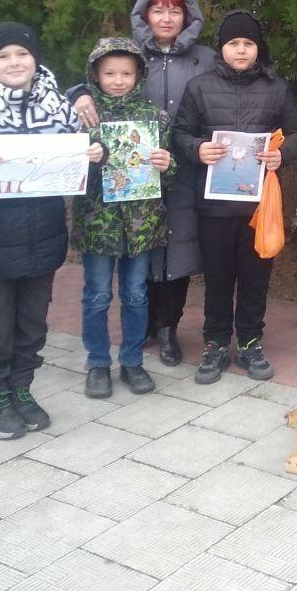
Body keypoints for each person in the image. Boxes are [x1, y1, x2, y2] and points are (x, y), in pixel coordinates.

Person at [0, 22, 99, 439]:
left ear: (35, 59)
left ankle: (21, 388)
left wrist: (91, 154)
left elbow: (74, 160)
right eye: (4, 56)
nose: (15, 62)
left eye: (22, 54)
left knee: (32, 324)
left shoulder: (59, 107)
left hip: (43, 237)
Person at [72, 0, 214, 366]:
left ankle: (169, 326)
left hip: (182, 167)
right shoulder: (129, 55)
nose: (166, 17)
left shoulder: (206, 58)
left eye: (174, 10)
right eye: (158, 9)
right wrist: (76, 94)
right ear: (144, 14)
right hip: (129, 178)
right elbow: (90, 82)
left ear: (187, 15)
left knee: (179, 249)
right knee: (141, 249)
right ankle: (146, 323)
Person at [173, 11, 297, 383]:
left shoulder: (276, 89)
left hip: (258, 205)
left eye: (248, 43)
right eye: (233, 44)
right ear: (222, 48)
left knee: (255, 276)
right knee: (217, 277)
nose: (241, 50)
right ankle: (214, 343)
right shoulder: (199, 87)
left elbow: (295, 133)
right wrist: (197, 148)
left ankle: (249, 341)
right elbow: (181, 133)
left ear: (258, 48)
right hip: (213, 204)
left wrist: (283, 154)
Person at [71, 38, 175, 399]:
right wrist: (87, 157)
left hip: (141, 224)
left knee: (135, 294)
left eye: (126, 73)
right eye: (109, 73)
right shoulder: (83, 115)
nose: (118, 80)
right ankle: (98, 362)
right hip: (97, 223)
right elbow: (66, 168)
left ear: (138, 75)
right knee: (97, 295)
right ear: (95, 76)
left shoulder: (154, 115)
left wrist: (167, 163)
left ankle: (132, 360)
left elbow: (170, 166)